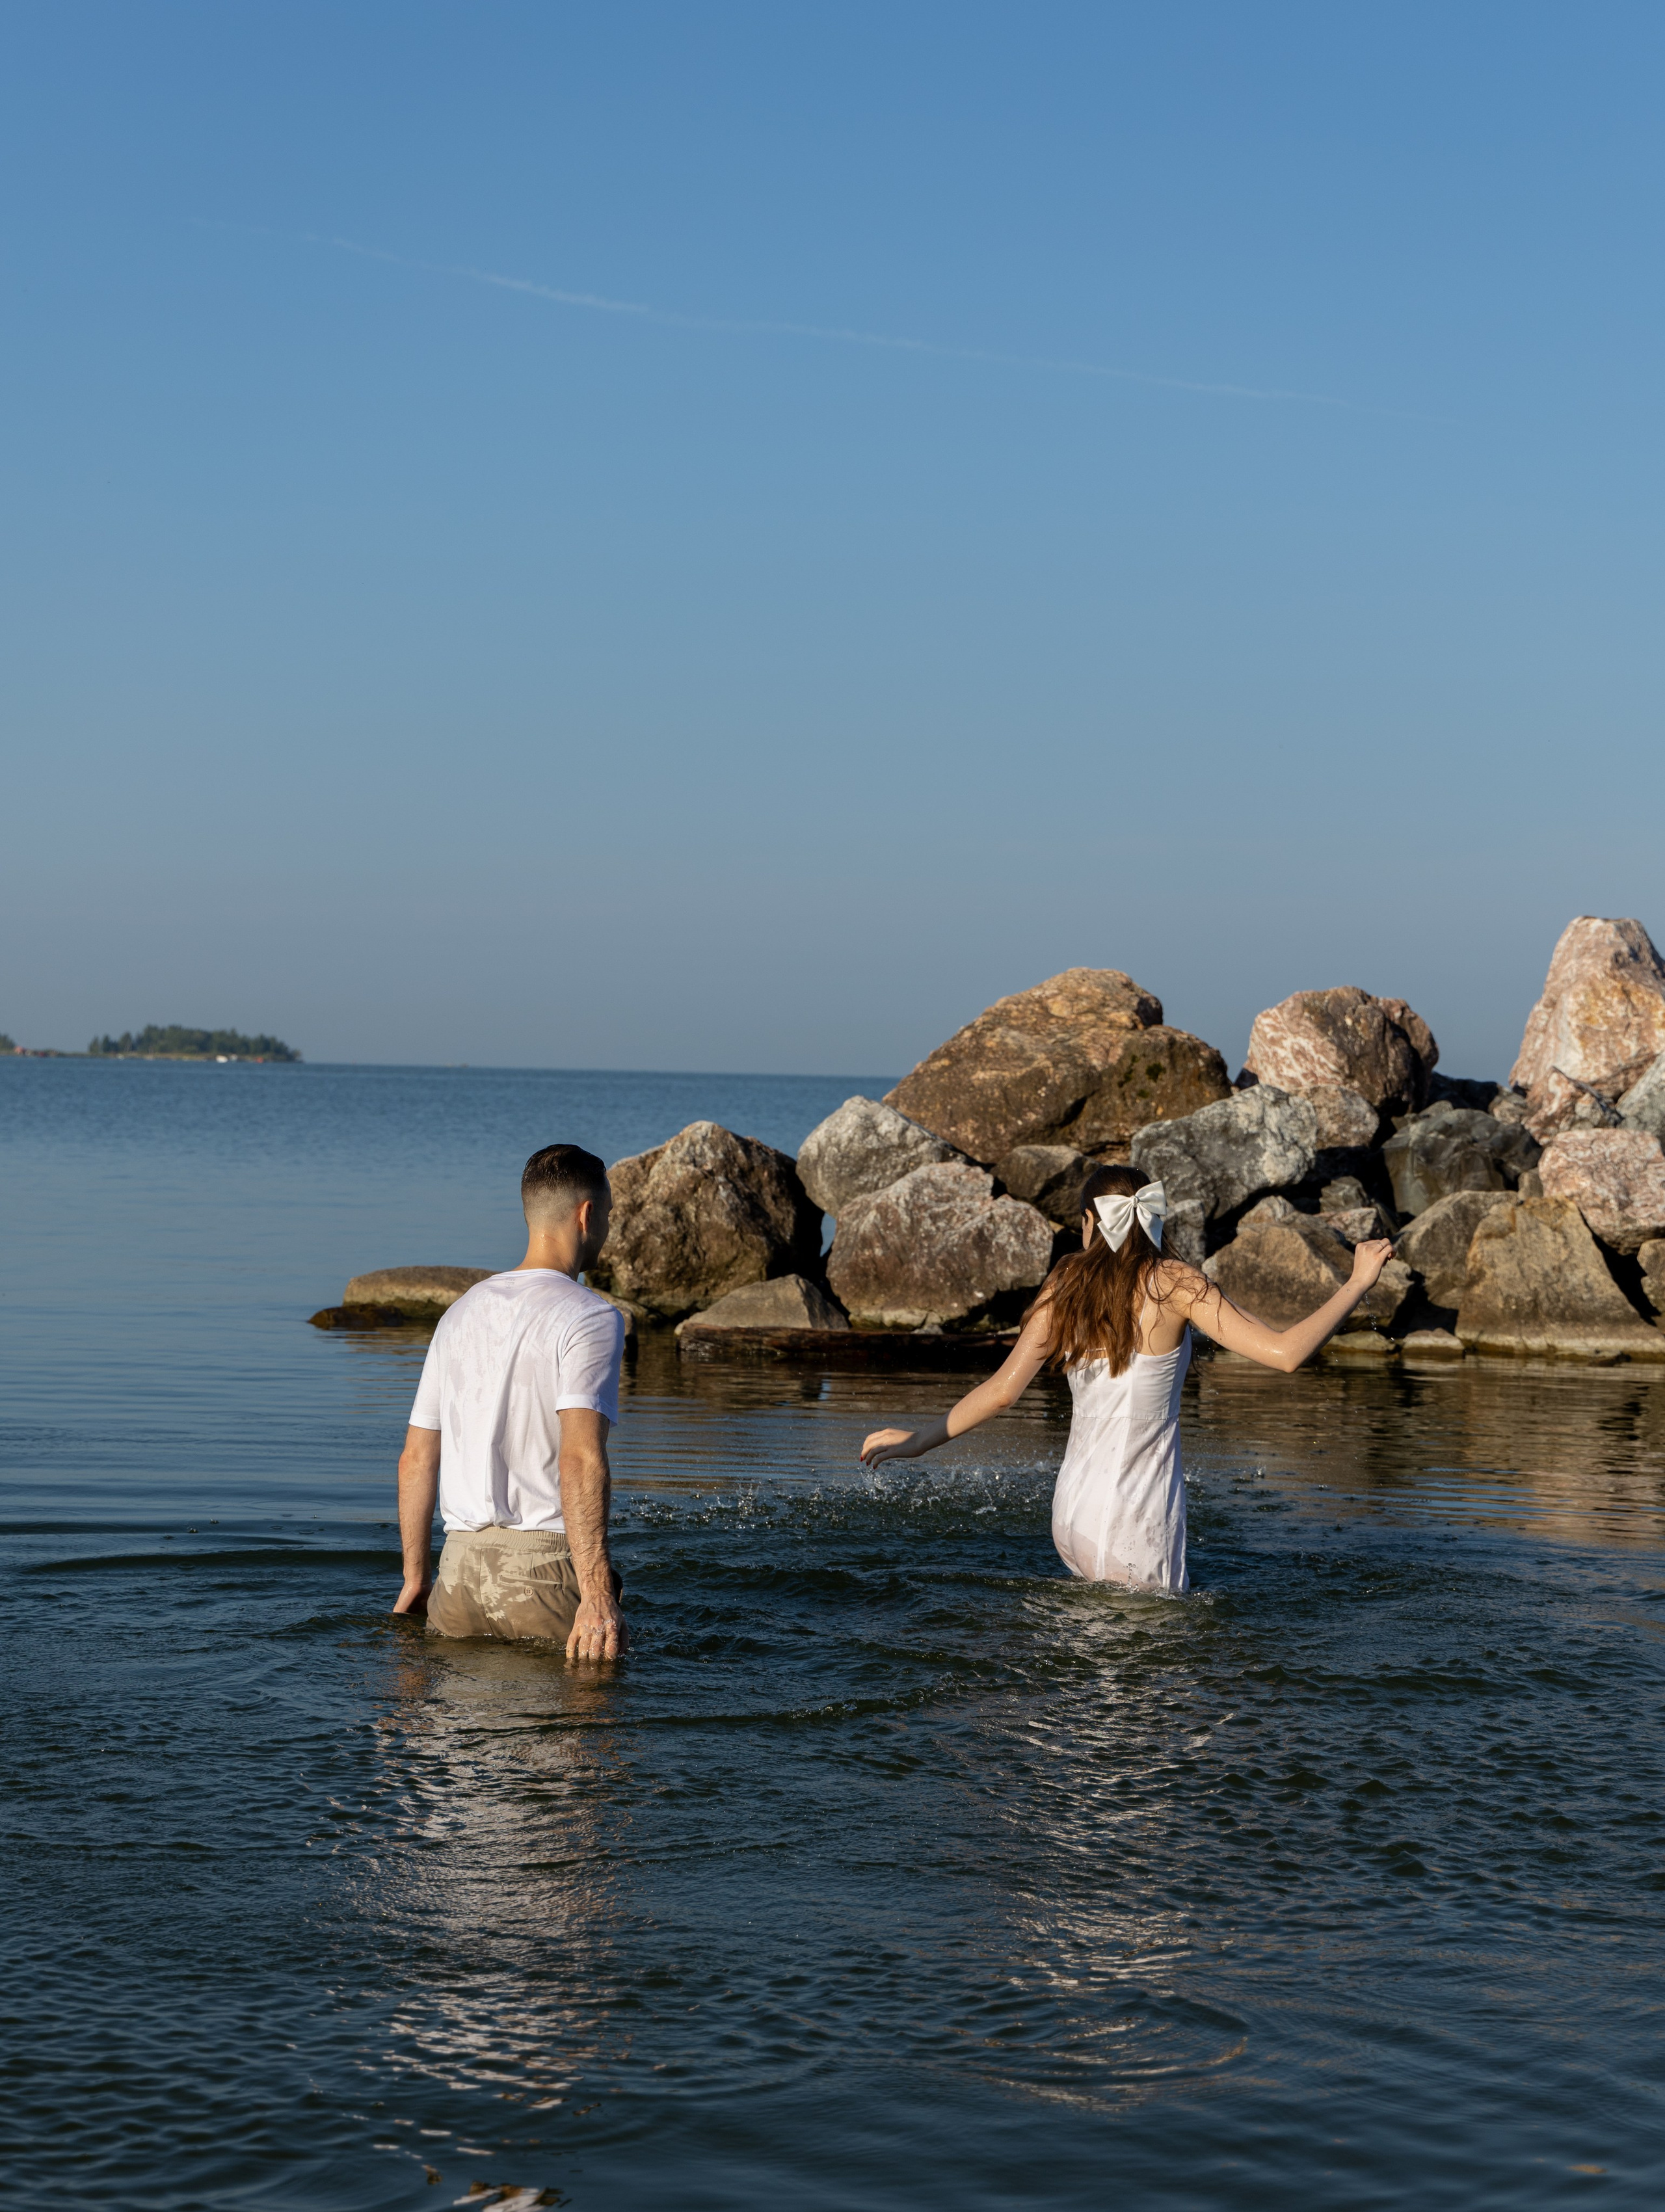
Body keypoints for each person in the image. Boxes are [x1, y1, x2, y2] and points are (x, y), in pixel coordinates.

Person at [860, 1160, 1396, 1594]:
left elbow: (1002, 1392)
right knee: (1153, 1704)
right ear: (1152, 1218)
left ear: (1092, 1224)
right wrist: (1356, 1283)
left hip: (1073, 1514)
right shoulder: (1176, 1285)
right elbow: (1285, 1353)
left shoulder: (1067, 1282)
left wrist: (916, 1442)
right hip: (1134, 1522)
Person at [392, 1143, 629, 1659]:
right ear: (586, 1215)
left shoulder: (458, 1314)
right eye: (607, 1215)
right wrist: (595, 1594)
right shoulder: (590, 1317)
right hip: (540, 1574)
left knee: (460, 1736)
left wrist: (416, 1578)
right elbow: (581, 1458)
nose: (607, 1230)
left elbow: (416, 1458)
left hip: (456, 1576)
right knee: (584, 1730)